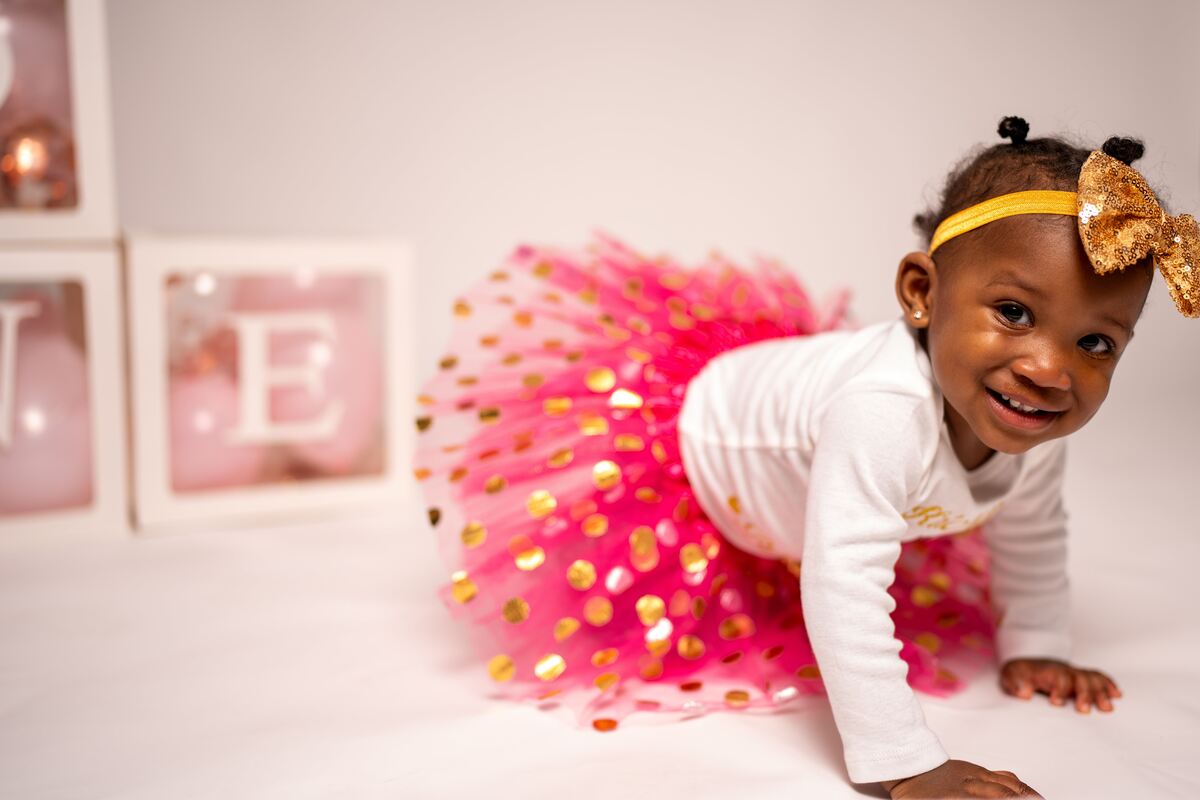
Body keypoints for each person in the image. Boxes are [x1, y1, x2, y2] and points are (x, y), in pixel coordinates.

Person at [411, 116, 1197, 798]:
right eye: (1014, 312)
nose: (1051, 369)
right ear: (922, 293)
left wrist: (1038, 646)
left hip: (792, 477)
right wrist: (905, 762)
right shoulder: (882, 413)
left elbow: (1033, 531)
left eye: (1096, 344)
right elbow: (842, 580)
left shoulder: (1026, 420)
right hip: (698, 452)